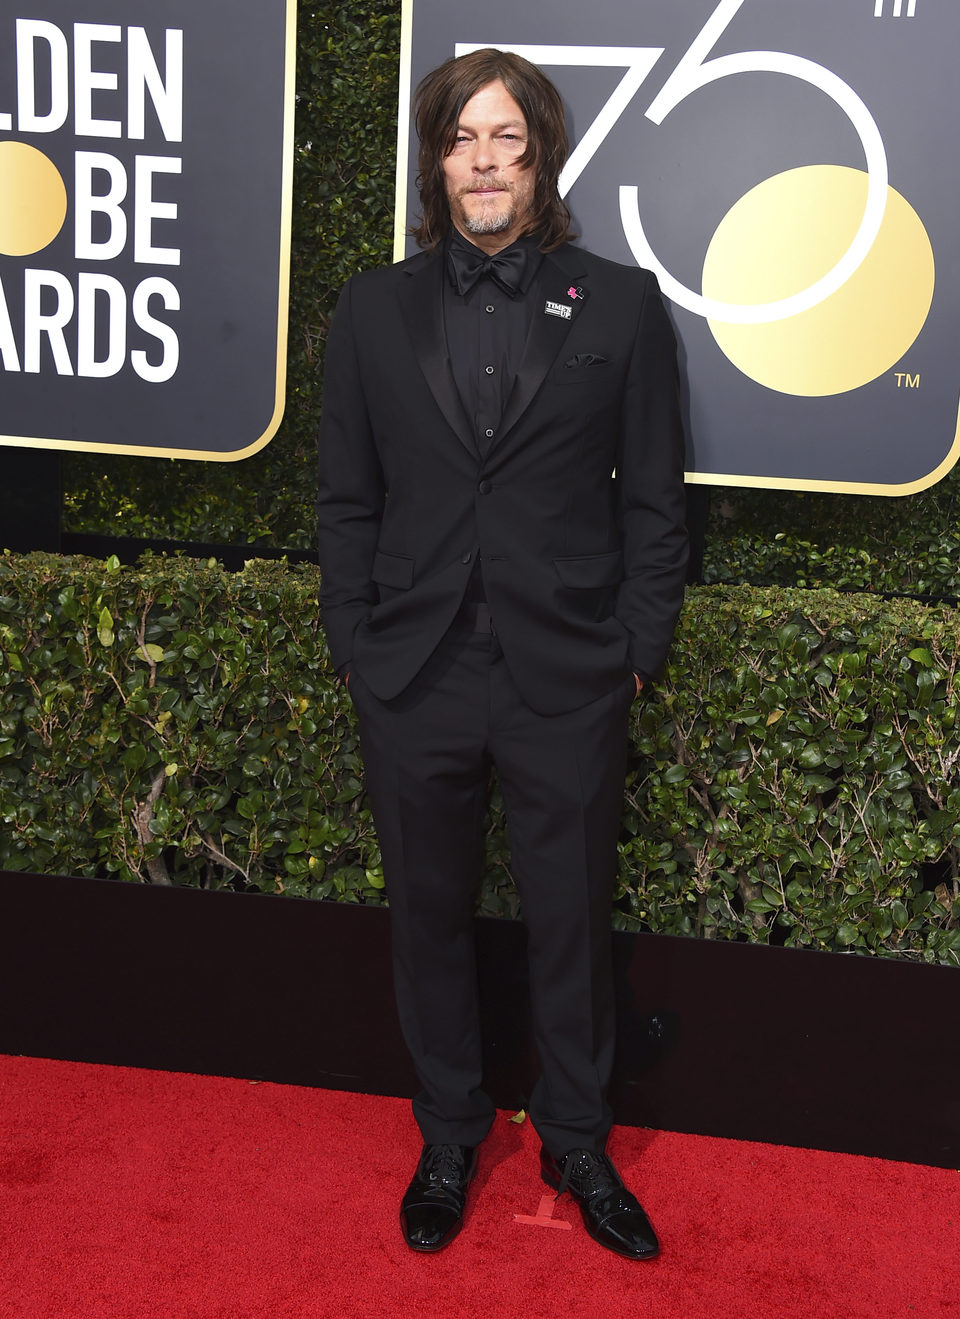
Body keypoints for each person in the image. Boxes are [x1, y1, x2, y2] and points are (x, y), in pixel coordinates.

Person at [317, 47, 689, 1260]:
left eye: (505, 138)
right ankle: (448, 1131)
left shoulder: (622, 304)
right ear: (437, 162)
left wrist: (635, 645)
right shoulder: (374, 308)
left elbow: (654, 503)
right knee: (427, 917)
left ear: (542, 155)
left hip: (568, 672)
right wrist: (357, 645)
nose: (482, 161)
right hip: (416, 672)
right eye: (460, 139)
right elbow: (345, 500)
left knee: (572, 918)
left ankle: (578, 1139)